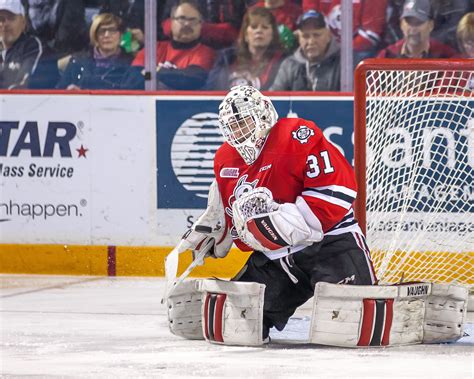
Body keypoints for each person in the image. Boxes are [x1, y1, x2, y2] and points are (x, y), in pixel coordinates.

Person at [170, 85, 377, 341]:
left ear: (264, 114)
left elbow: (337, 189)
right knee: (235, 328)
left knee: (353, 328)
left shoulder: (297, 135)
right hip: (275, 258)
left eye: (244, 122)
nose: (238, 132)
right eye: (232, 126)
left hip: (331, 244)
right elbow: (230, 214)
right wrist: (216, 232)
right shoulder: (225, 158)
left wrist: (287, 221)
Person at [123, 0, 216, 90]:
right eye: (182, 19)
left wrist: (155, 71)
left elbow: (191, 80)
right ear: (170, 22)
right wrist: (166, 75)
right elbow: (132, 80)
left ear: (201, 25)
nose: (187, 24)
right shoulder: (153, 48)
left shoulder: (205, 53)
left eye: (193, 20)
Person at [206, 7, 285, 90]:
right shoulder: (227, 58)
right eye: (254, 27)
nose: (259, 31)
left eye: (265, 27)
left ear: (273, 35)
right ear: (246, 34)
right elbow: (210, 91)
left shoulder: (283, 62)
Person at [56, 13, 133, 90]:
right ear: (95, 35)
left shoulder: (131, 63)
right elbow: (59, 92)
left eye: (112, 30)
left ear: (121, 35)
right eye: (102, 31)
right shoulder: (78, 61)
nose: (106, 35)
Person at [270, 9, 341, 91]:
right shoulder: (289, 65)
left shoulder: (345, 64)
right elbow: (274, 99)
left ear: (328, 36)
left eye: (316, 35)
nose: (311, 41)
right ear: (299, 38)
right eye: (305, 36)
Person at [302, 0, 388, 62]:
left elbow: (370, 35)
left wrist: (337, 52)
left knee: (360, 58)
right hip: (325, 44)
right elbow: (311, 21)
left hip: (356, 50)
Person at [0, 0, 58, 88]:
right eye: (1, 19)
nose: (5, 24)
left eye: (11, 18)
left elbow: (24, 85)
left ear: (23, 22)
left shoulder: (33, 47)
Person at [377, 0, 456, 58]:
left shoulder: (445, 56)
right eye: (409, 22)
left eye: (419, 22)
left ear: (431, 25)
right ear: (401, 24)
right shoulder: (387, 55)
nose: (413, 28)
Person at [161, 0, 249, 49]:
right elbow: (166, 26)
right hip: (189, 49)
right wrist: (196, 26)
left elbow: (235, 33)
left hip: (228, 52)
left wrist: (194, 27)